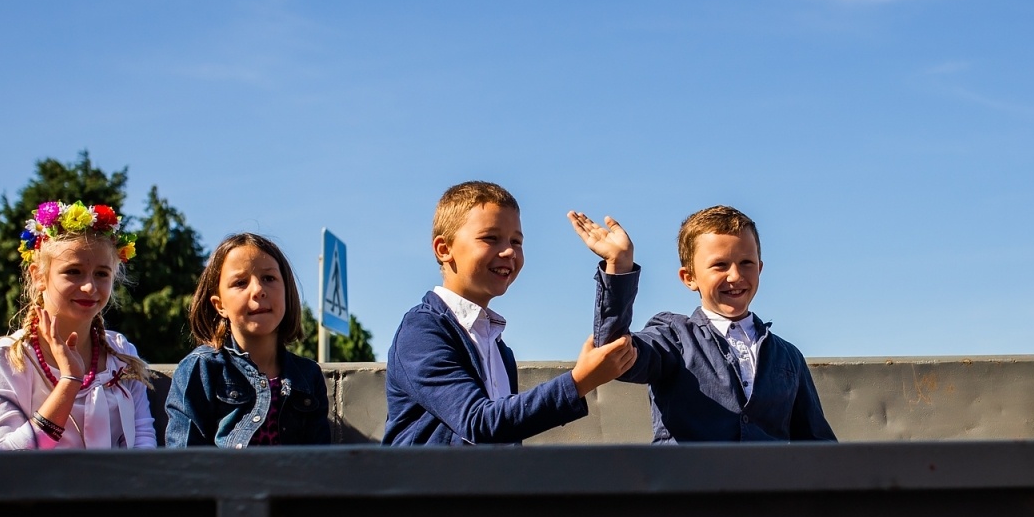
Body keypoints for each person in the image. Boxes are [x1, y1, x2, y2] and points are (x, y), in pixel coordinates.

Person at [383, 181, 636, 445]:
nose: (509, 251)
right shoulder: (422, 330)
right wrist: (578, 382)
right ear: (444, 249)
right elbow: (478, 422)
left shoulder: (499, 349)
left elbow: (504, 433)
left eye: (516, 241)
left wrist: (618, 269)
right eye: (490, 238)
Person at [569, 204, 836, 442]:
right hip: (687, 484)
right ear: (689, 278)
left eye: (746, 263)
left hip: (768, 485)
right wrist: (619, 268)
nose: (735, 276)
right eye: (720, 265)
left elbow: (817, 445)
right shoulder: (673, 338)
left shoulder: (788, 356)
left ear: (760, 268)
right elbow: (614, 355)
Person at [0, 200, 155, 449]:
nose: (89, 287)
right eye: (73, 272)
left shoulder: (121, 352)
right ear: (38, 276)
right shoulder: (2, 359)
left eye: (102, 274)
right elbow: (2, 458)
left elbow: (143, 439)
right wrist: (69, 381)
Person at [165, 233, 331, 447]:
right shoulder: (201, 368)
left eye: (269, 278)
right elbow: (184, 459)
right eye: (240, 282)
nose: (258, 290)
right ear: (219, 305)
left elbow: (319, 459)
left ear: (287, 292)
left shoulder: (308, 376)